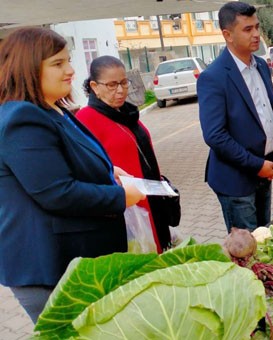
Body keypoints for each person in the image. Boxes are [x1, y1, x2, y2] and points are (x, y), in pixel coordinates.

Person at [0, 28, 145, 323]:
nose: (70, 70)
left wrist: (107, 171)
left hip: (70, 260)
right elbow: (57, 192)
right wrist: (120, 197)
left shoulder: (51, 109)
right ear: (26, 67)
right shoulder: (22, 118)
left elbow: (66, 160)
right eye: (57, 64)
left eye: (68, 61)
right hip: (50, 268)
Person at [197, 1, 273, 232]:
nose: (256, 34)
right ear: (227, 34)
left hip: (264, 171)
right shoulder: (213, 77)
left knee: (264, 238)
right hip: (235, 181)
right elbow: (215, 136)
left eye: (257, 26)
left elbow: (268, 115)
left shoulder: (261, 66)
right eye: (248, 29)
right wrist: (257, 166)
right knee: (247, 251)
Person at [76, 55, 176, 252]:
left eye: (124, 82)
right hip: (128, 211)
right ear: (95, 86)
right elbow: (86, 169)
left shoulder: (126, 114)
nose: (120, 90)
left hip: (151, 201)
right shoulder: (86, 119)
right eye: (112, 85)